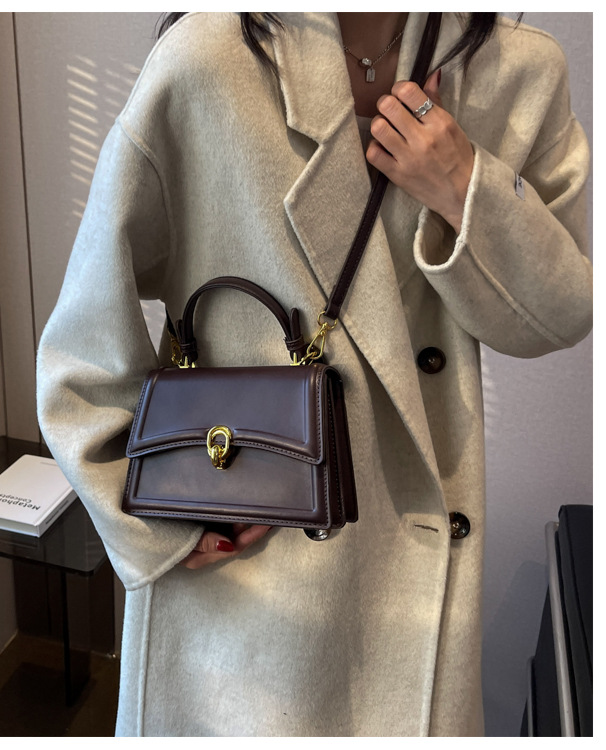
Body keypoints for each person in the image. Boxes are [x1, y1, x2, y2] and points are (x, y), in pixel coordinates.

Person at [36, 12, 592, 736]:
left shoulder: (516, 72)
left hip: (411, 585)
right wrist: (156, 520)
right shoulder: (209, 59)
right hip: (248, 587)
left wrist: (463, 186)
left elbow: (557, 316)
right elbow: (82, 345)